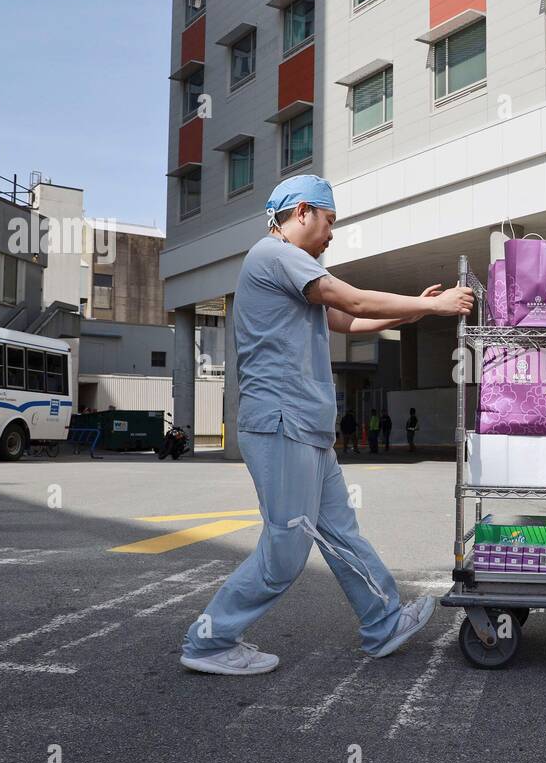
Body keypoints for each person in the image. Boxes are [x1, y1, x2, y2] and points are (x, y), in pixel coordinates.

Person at [180, 174, 473, 675]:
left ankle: (383, 623)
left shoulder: (292, 270)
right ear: (300, 213)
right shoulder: (275, 255)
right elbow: (352, 299)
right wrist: (430, 306)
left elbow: (345, 320)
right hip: (281, 423)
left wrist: (409, 314)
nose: (332, 233)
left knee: (341, 533)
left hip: (306, 427)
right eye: (329, 220)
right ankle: (209, 640)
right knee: (286, 549)